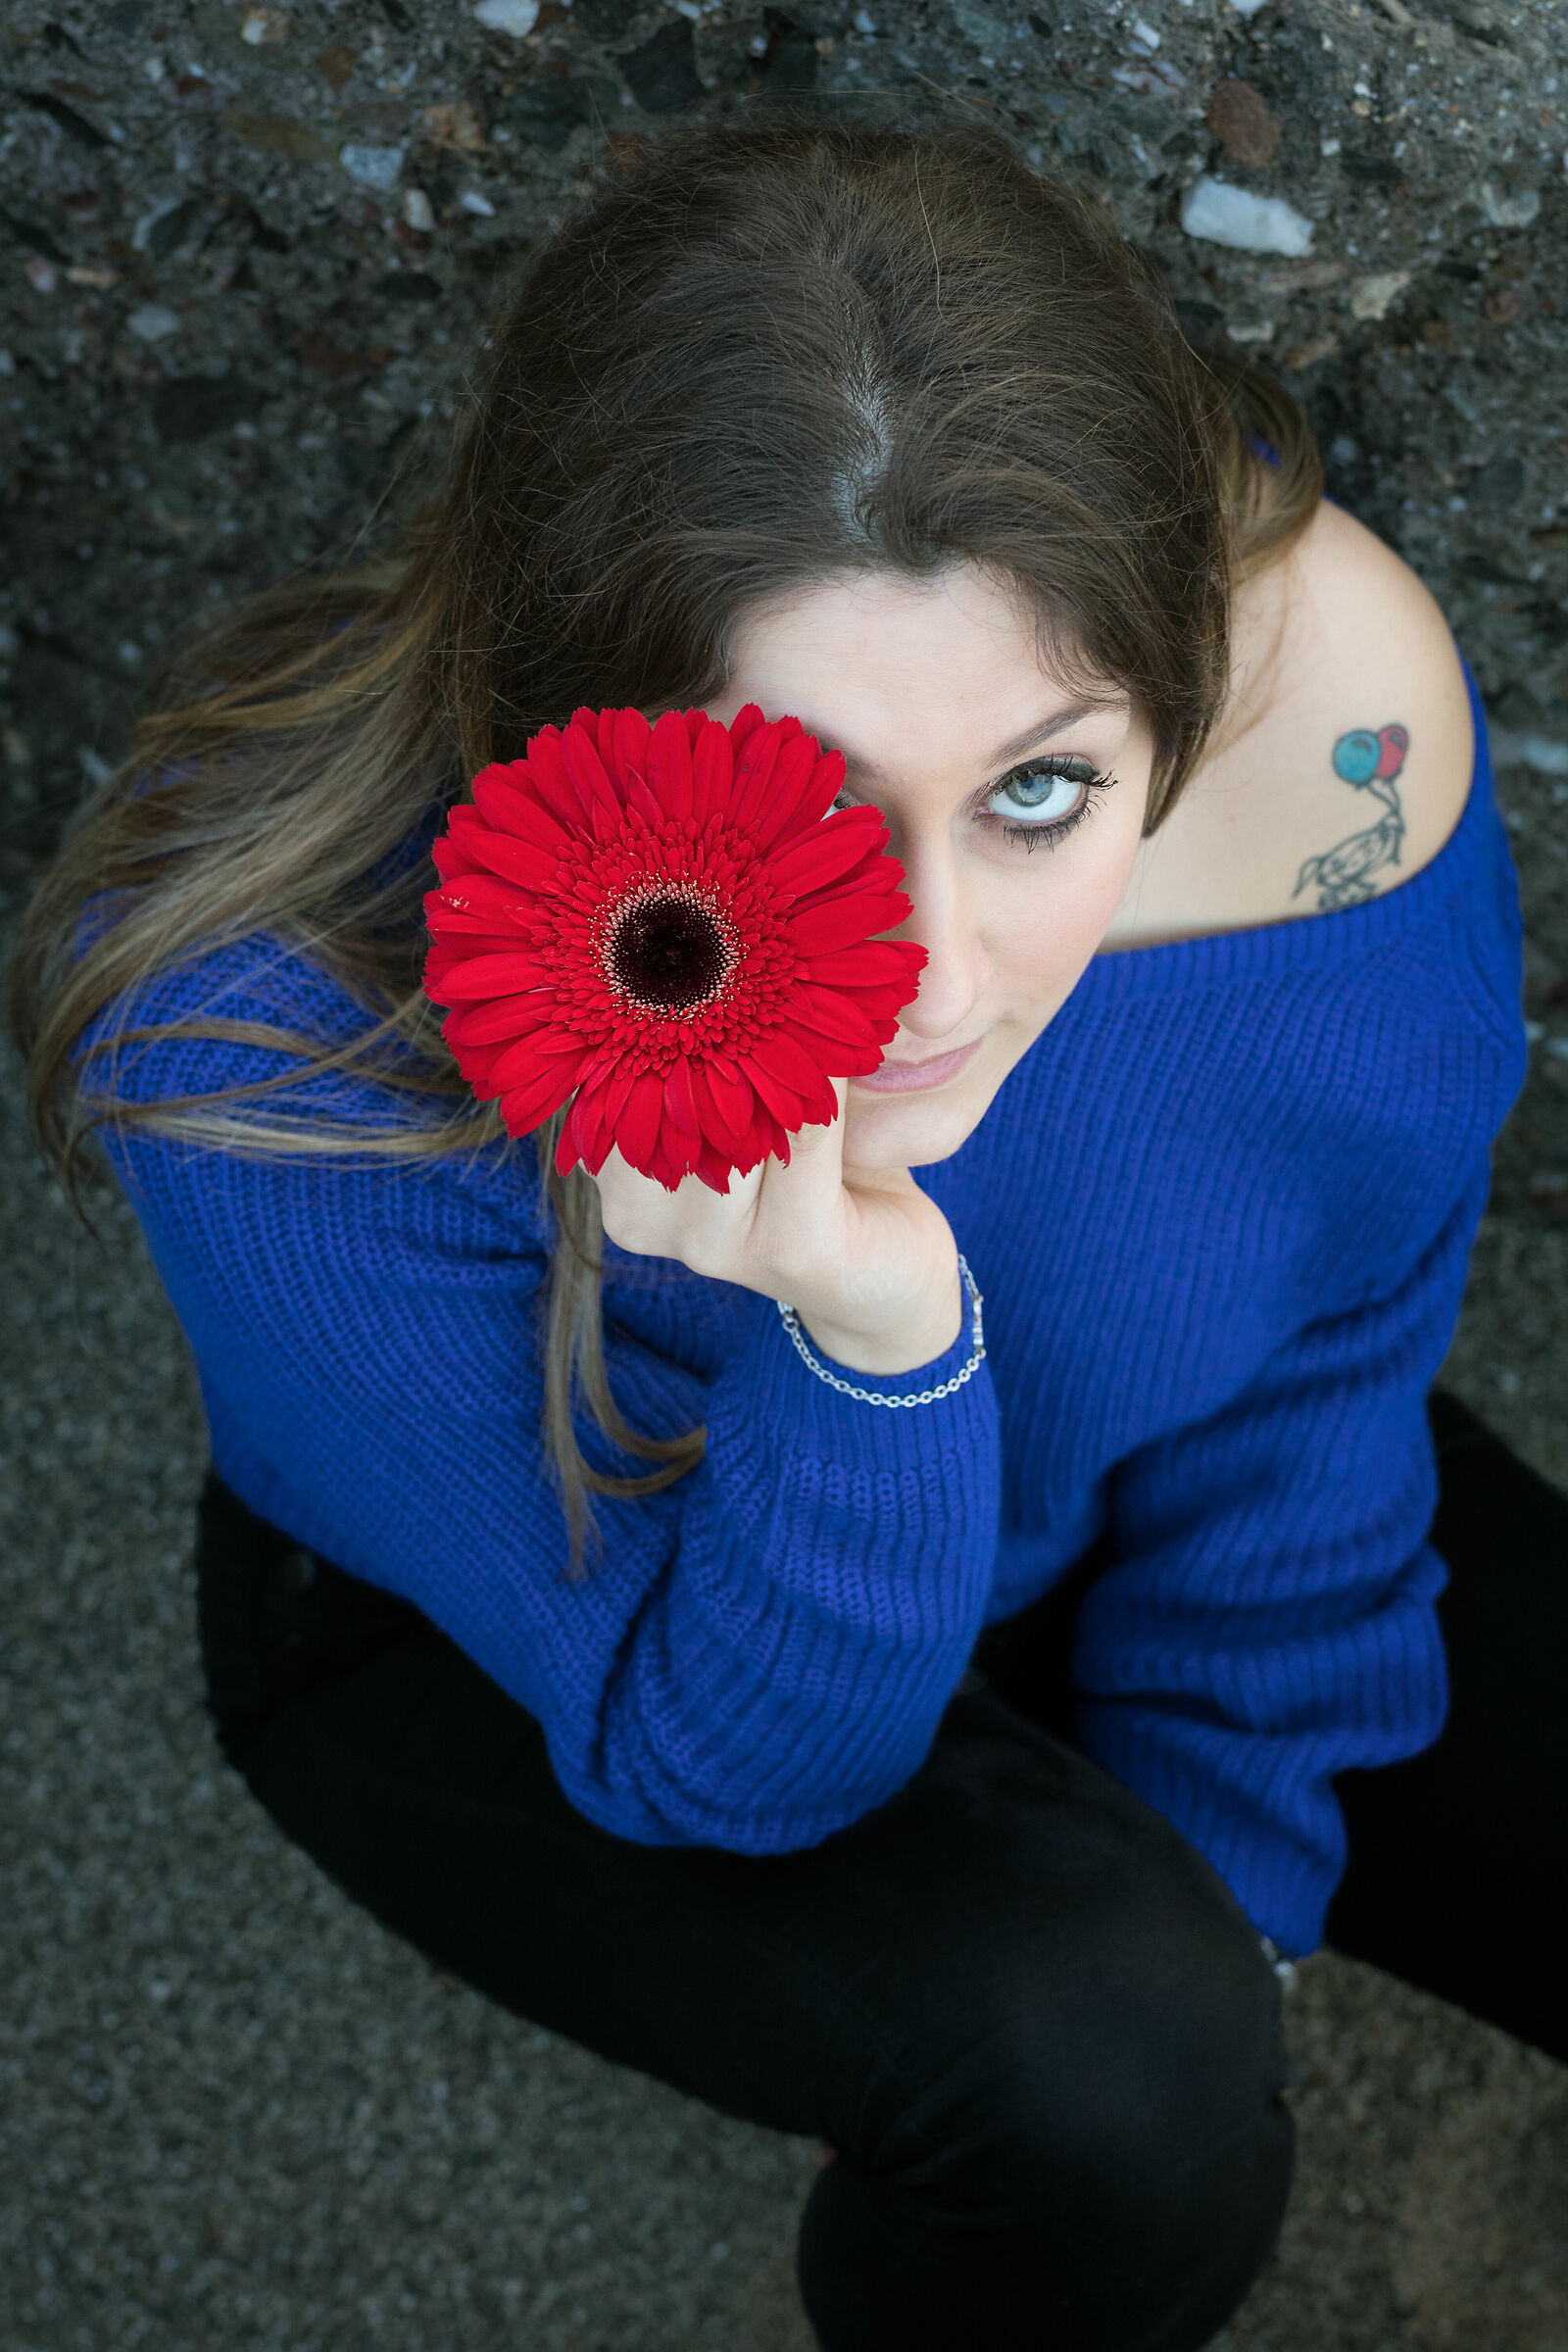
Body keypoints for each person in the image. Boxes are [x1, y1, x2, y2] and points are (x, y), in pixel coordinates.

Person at [10, 120, 1559, 2352]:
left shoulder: (1320, 731)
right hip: (533, 1619)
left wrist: (1234, 1850)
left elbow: (1322, 1327)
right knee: (1116, 2098)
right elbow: (726, 1760)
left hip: (1098, 1476)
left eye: (1038, 791)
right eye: (805, 802)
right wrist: (865, 1335)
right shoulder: (265, 1032)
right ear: (568, 735)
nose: (929, 971)